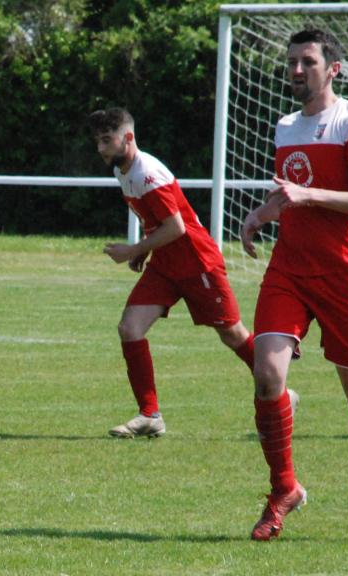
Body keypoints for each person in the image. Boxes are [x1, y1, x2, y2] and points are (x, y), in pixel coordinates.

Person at [241, 29, 348, 542]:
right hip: (289, 270)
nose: (296, 70)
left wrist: (308, 194)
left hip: (346, 276)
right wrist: (263, 212)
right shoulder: (285, 127)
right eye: (291, 62)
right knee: (266, 373)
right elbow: (291, 194)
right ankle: (283, 488)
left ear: (334, 68)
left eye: (307, 61)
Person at [88, 107, 270, 438]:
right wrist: (145, 248)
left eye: (106, 140)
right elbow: (159, 223)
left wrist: (135, 249)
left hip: (198, 262)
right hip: (166, 265)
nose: (101, 148)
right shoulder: (123, 170)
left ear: (128, 138)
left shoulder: (146, 174)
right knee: (130, 328)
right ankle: (149, 414)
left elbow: (176, 227)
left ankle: (280, 393)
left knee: (233, 335)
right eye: (97, 142)